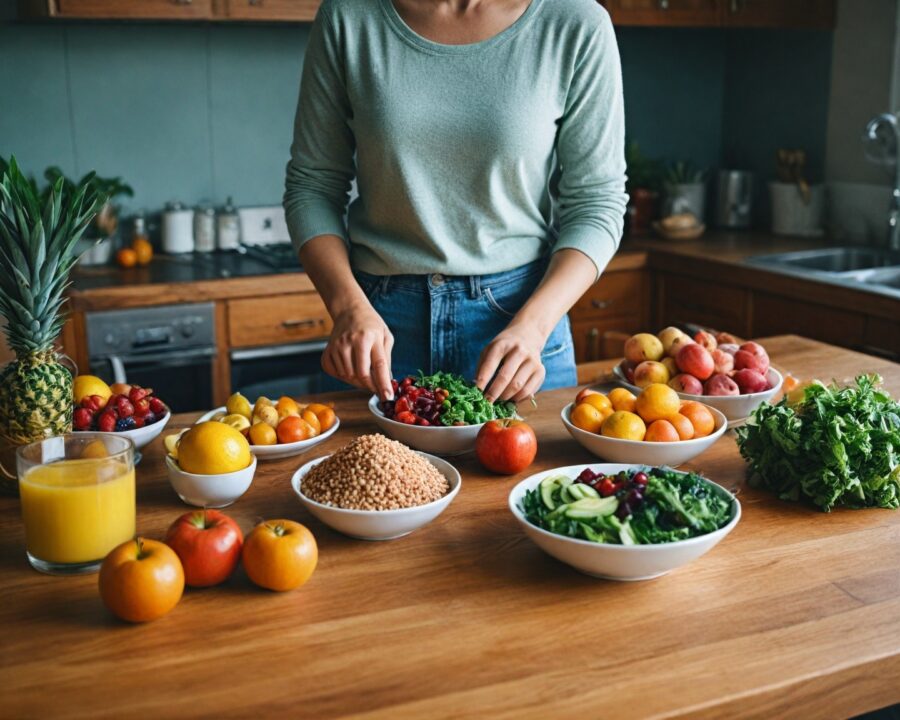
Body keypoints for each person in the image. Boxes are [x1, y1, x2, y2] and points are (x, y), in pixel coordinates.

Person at [284, 0, 627, 404]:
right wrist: (347, 308)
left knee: (538, 471)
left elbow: (597, 202)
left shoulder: (575, 22)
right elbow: (312, 186)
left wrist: (533, 327)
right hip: (379, 331)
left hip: (520, 329)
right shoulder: (349, 17)